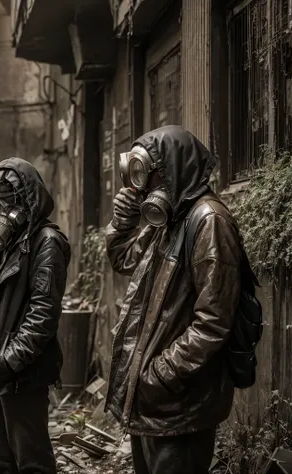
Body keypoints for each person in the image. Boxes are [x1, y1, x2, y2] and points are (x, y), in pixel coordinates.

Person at [105, 126, 241, 474]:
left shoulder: (208, 220)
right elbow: (124, 260)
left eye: (149, 178)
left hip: (179, 403)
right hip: (153, 402)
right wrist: (124, 221)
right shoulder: (169, 219)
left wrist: (161, 375)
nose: (145, 189)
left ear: (172, 172)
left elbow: (213, 321)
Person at [0, 157, 70, 474]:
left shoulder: (46, 242)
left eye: (8, 200)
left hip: (21, 376)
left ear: (28, 201)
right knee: (1, 461)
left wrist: (8, 362)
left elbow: (43, 315)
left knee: (31, 462)